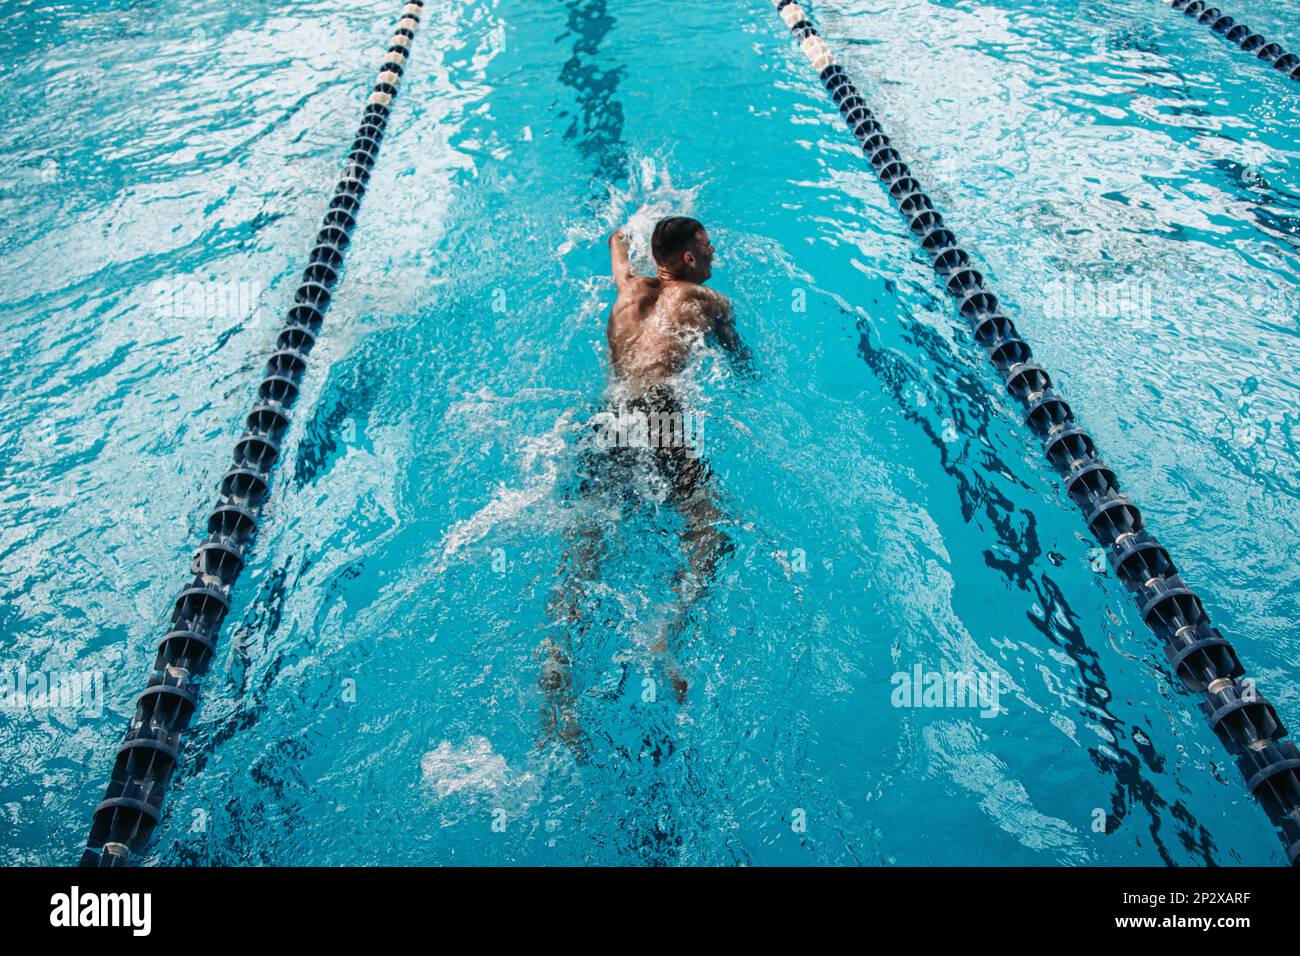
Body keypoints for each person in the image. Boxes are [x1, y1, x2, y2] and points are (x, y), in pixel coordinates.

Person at [539, 216, 747, 749]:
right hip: (660, 411)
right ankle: (666, 636)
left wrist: (620, 235)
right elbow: (740, 362)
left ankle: (557, 673)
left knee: (585, 543)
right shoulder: (708, 300)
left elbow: (617, 250)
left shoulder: (627, 288)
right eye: (707, 245)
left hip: (607, 415)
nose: (714, 249)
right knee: (710, 527)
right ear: (689, 261)